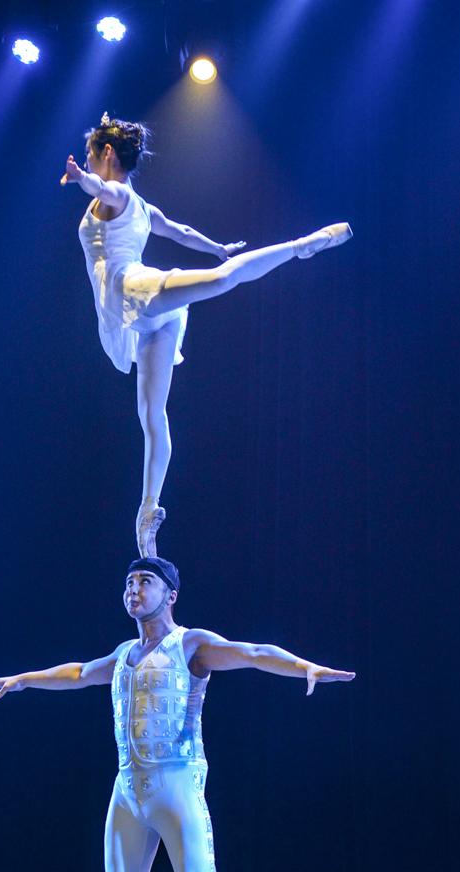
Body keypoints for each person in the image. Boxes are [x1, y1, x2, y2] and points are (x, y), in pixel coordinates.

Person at [0, 556, 355, 872]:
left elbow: (253, 652)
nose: (134, 589)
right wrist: (25, 679)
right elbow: (78, 673)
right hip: (128, 790)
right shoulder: (123, 654)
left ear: (171, 595)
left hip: (176, 786)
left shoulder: (190, 645)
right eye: (129, 582)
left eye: (146, 581)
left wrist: (304, 667)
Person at [61, 115, 353, 557]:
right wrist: (216, 246)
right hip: (150, 317)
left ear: (106, 153)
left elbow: (103, 188)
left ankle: (301, 246)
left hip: (134, 290)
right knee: (152, 415)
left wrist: (83, 179)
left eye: (89, 156)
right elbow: (180, 231)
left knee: (220, 280)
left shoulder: (116, 194)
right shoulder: (143, 208)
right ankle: (148, 510)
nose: (86, 163)